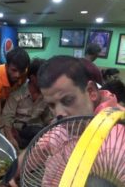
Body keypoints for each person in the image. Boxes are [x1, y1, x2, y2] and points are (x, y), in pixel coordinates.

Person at [8, 55, 124, 187]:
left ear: (91, 91)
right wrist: (10, 174)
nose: (58, 113)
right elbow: (39, 149)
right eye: (51, 105)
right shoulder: (64, 125)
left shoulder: (118, 140)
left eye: (67, 100)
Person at [2, 58, 52, 150]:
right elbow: (6, 118)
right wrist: (10, 138)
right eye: (43, 77)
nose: (47, 81)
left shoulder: (46, 96)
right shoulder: (16, 95)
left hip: (38, 134)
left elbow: (48, 118)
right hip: (19, 133)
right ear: (33, 78)